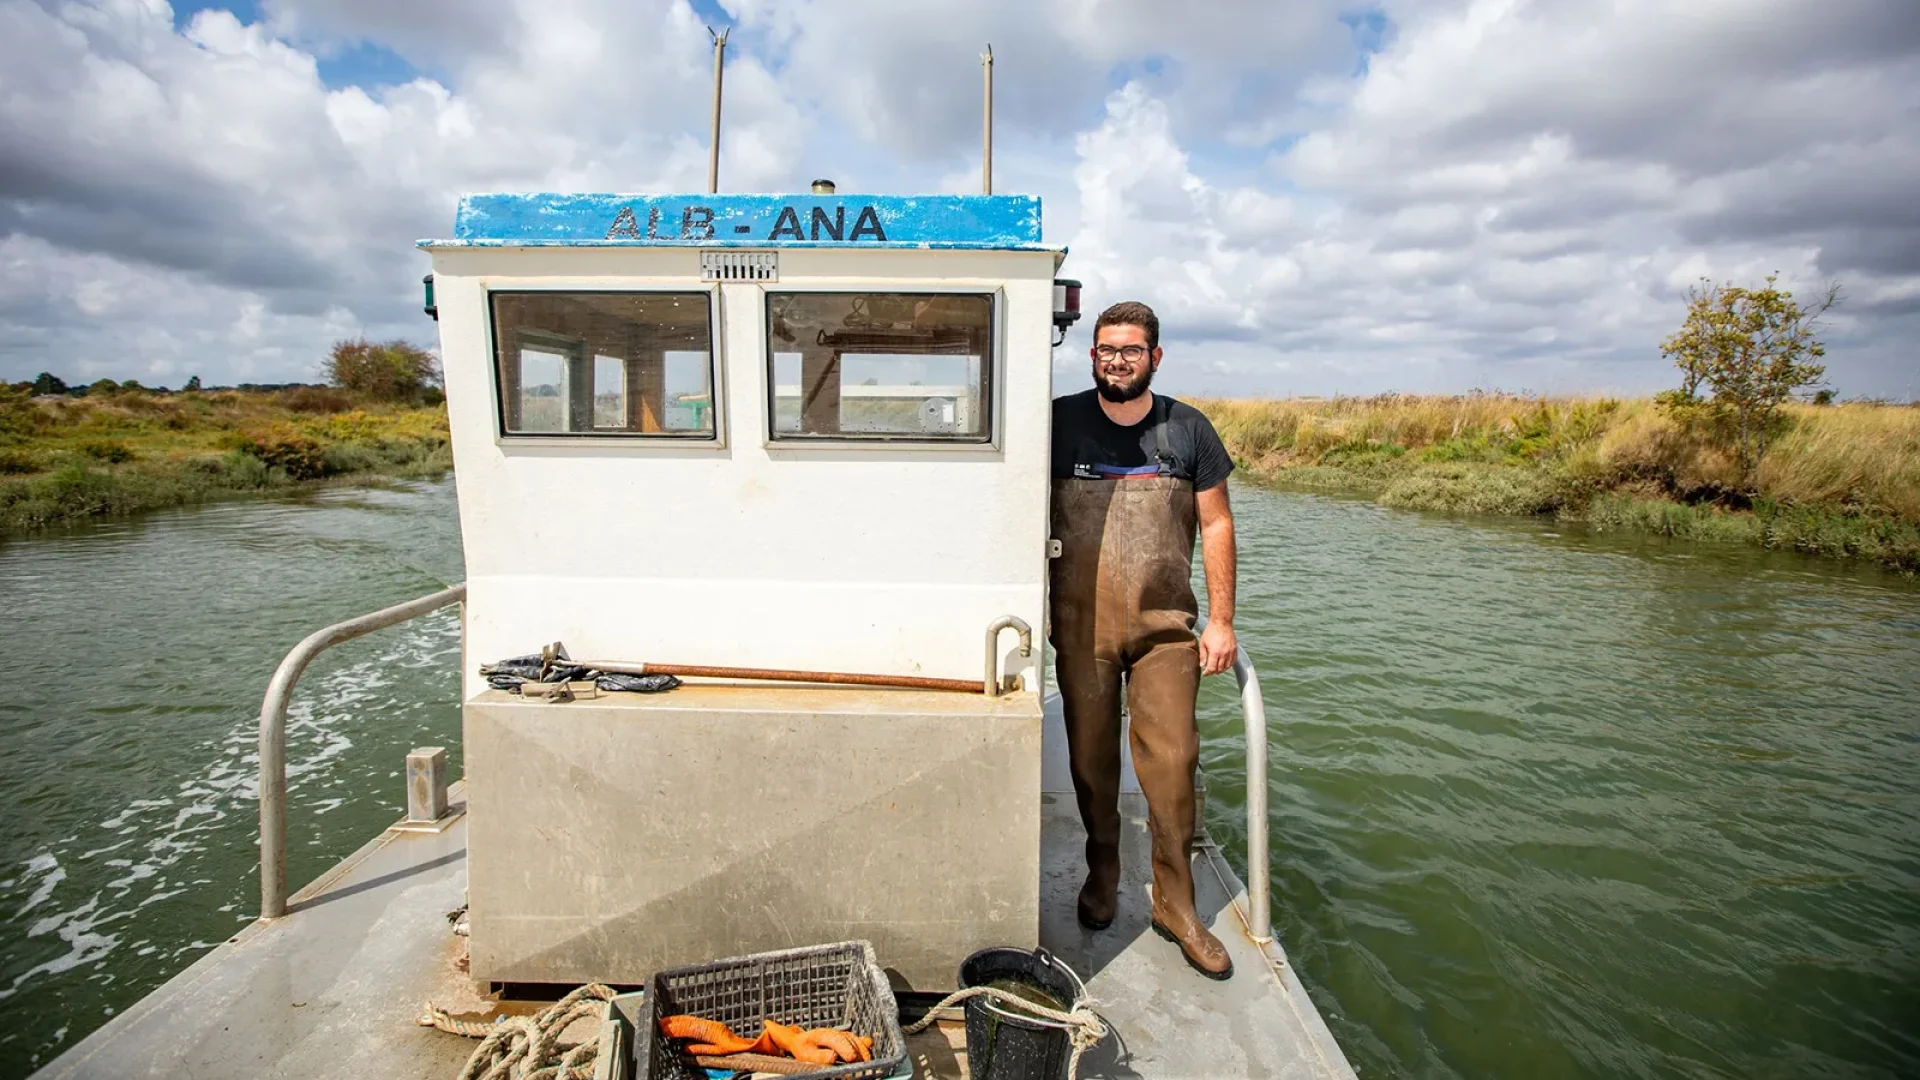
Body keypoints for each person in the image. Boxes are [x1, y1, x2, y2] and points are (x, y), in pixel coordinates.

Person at [1048, 300, 1239, 980]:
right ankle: (1104, 873)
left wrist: (1220, 620)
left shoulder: (1188, 429)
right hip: (1080, 629)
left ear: (1155, 357)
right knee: (1092, 763)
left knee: (1173, 763)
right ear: (1091, 355)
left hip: (1165, 633)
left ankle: (1175, 901)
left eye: (1130, 350)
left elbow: (1215, 524)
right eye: (1105, 350)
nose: (1116, 361)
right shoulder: (1059, 421)